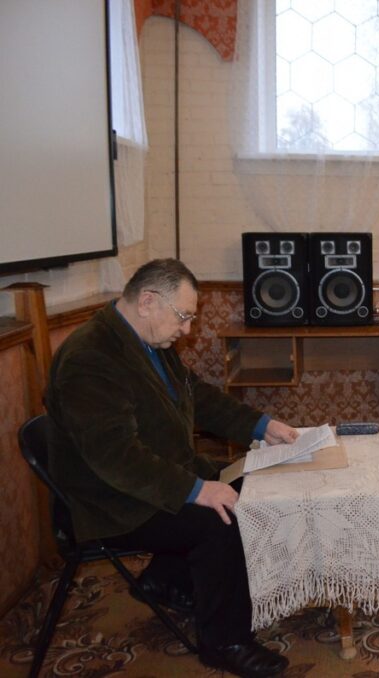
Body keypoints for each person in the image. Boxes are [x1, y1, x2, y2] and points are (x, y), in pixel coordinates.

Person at [45, 259, 297, 677]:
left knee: (254, 482)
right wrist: (198, 490)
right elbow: (116, 458)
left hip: (153, 476)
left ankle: (166, 579)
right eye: (183, 316)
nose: (187, 329)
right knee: (220, 518)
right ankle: (225, 642)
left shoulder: (145, 341)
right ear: (147, 302)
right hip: (111, 501)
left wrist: (262, 425)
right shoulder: (89, 358)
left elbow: (199, 397)